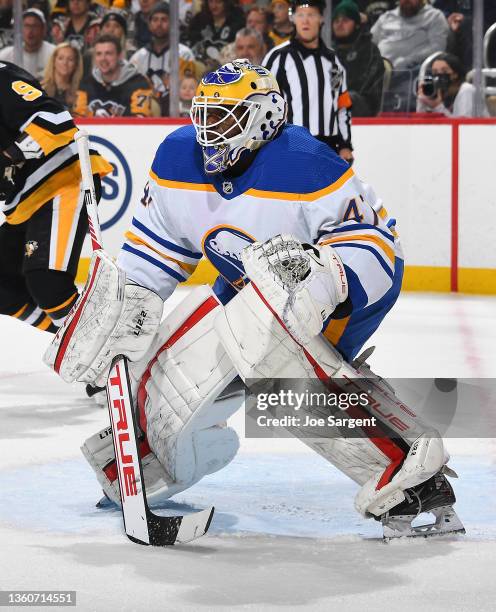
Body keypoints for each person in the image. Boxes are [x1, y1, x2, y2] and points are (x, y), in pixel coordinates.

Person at [46, 60, 463, 539]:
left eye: (225, 118)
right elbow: (152, 255)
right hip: (252, 287)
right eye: (204, 115)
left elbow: (377, 248)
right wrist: (119, 314)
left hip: (341, 294)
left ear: (265, 117)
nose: (209, 131)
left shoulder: (306, 163)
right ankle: (147, 458)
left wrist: (320, 277)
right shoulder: (177, 158)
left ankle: (411, 476)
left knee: (272, 358)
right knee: (172, 374)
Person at [0, 61, 111, 333]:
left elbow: (52, 117)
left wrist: (10, 155)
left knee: (48, 282)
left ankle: (108, 350)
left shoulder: (2, 76)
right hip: (26, 199)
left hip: (65, 178)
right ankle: (81, 341)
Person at [263, 0, 353, 163]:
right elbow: (264, 105)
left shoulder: (333, 61)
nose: (305, 20)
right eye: (300, 15)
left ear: (321, 18)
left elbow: (341, 105)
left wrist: (345, 144)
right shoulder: (278, 57)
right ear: (293, 19)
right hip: (291, 145)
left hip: (329, 147)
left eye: (311, 15)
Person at [130, 2, 196, 115]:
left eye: (164, 19)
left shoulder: (184, 54)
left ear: (172, 24)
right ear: (149, 24)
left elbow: (188, 90)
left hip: (177, 112)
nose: (159, 24)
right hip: (145, 114)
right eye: (155, 20)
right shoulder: (138, 57)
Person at [74, 34, 153, 117]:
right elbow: (77, 117)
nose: (103, 58)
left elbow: (141, 121)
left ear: (120, 56)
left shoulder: (139, 83)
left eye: (108, 53)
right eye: (99, 54)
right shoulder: (86, 83)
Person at [332, 0, 384, 117]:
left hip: (363, 105)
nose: (340, 24)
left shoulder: (369, 50)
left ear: (356, 24)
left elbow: (367, 87)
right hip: (334, 103)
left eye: (345, 20)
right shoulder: (329, 52)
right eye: (336, 21)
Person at [371, 0, 449, 71]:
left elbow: (437, 49)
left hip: (411, 72)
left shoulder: (434, 16)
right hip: (378, 70)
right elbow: (369, 44)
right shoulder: (386, 17)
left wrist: (409, 61)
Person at [417, 52, 489, 117]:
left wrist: (437, 106)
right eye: (435, 72)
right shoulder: (437, 92)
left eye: (444, 70)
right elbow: (420, 123)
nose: (438, 75)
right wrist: (422, 100)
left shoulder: (467, 90)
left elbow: (462, 126)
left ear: (455, 74)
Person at [187, 0, 245, 71]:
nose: (214, 6)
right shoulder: (199, 19)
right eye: (211, 1)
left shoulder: (238, 20)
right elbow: (192, 43)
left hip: (229, 66)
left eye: (218, 2)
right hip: (201, 64)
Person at [0, 9, 55, 79]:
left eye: (34, 26)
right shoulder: (6, 55)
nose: (30, 31)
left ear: (43, 29)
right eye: (26, 26)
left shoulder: (54, 53)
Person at [41, 42, 83, 113]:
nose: (65, 63)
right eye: (61, 58)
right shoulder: (40, 89)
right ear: (54, 61)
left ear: (76, 64)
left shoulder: (81, 93)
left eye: (70, 59)